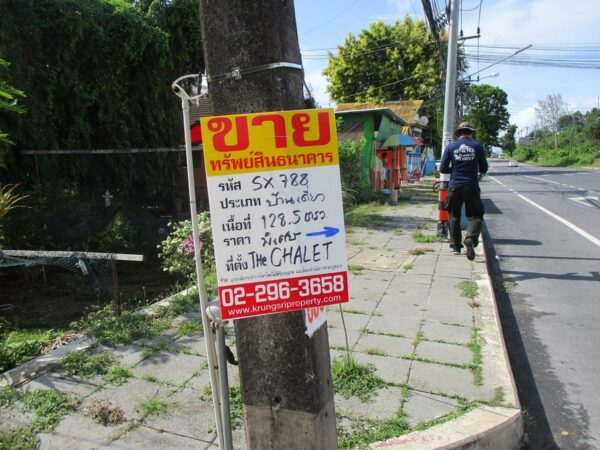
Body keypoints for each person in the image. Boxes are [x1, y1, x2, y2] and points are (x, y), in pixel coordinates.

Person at [439, 122, 488, 260]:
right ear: (471, 133)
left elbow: (443, 168)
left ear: (459, 133)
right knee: (475, 215)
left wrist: (454, 170)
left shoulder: (451, 146)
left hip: (454, 186)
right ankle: (470, 239)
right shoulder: (477, 146)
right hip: (471, 185)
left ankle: (455, 246)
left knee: (453, 216)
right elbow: (484, 168)